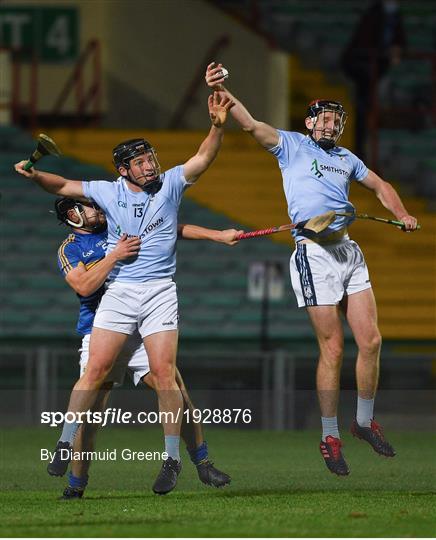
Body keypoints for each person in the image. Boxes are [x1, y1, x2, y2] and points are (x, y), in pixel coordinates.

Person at [15, 91, 234, 494]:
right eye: (141, 162)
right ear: (123, 171)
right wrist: (35, 176)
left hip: (159, 293)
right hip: (117, 298)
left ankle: (178, 461)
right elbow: (62, 184)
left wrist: (217, 126)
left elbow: (202, 161)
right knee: (94, 382)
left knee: (171, 381)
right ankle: (67, 452)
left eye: (151, 158)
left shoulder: (169, 185)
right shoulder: (102, 202)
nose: (151, 165)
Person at [205, 63, 418, 476]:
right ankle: (329, 436)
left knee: (371, 341)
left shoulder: (346, 158)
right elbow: (249, 124)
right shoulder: (290, 144)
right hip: (314, 254)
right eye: (325, 118)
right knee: (333, 348)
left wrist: (403, 212)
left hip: (348, 251)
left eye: (336, 120)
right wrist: (224, 89)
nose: (331, 124)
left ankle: (362, 422)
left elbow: (379, 186)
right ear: (309, 122)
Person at [54, 197, 240, 499]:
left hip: (140, 330)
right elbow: (84, 286)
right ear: (74, 215)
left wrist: (217, 235)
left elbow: (169, 229)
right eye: (89, 207)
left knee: (177, 391)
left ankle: (202, 463)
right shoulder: (70, 248)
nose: (98, 209)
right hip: (100, 331)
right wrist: (115, 256)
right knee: (91, 417)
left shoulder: (117, 224)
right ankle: (75, 485)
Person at [341, 0, 407, 161]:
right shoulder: (373, 14)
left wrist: (397, 48)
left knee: (370, 108)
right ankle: (359, 150)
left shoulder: (395, 15)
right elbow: (365, 43)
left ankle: (365, 148)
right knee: (363, 109)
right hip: (362, 67)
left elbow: (400, 40)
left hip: (377, 69)